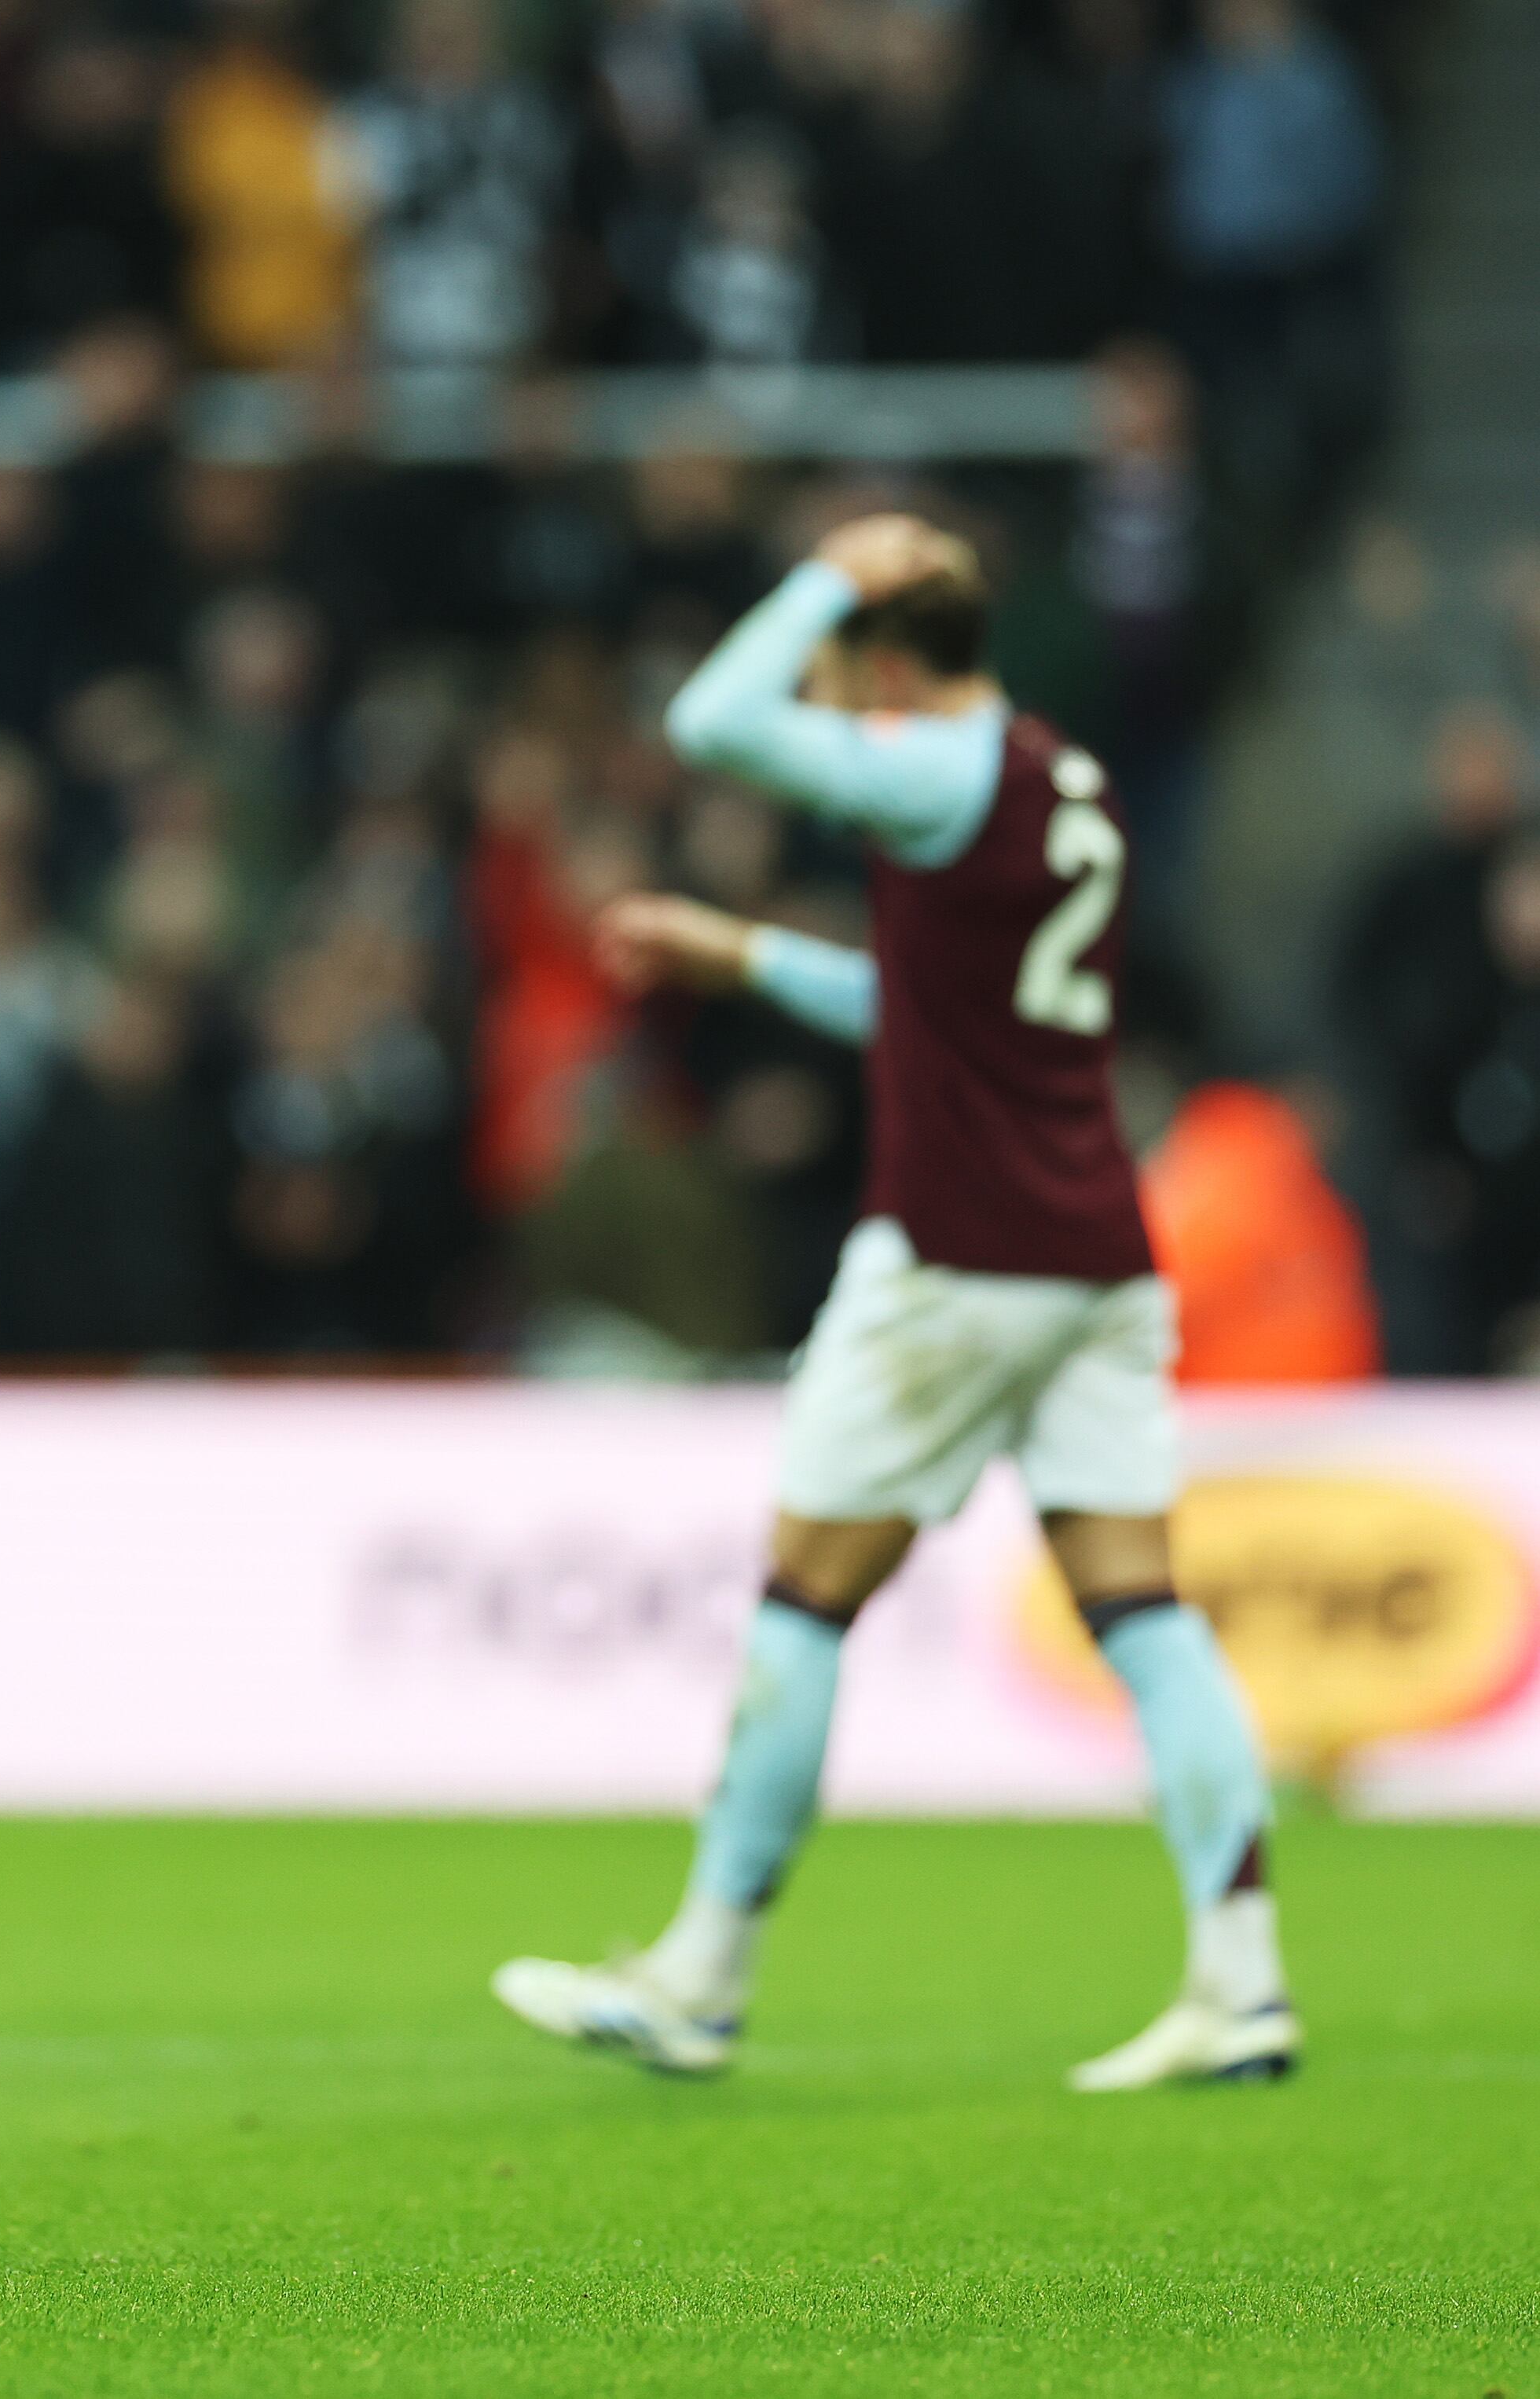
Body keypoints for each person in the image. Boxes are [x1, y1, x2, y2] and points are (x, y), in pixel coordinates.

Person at [491, 515, 1293, 2093]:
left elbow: (708, 722)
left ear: (879, 658)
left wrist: (816, 573)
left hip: (952, 1257)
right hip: (1095, 1259)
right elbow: (923, 1006)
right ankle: (1238, 1980)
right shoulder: (1064, 781)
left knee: (804, 1593)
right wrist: (743, 953)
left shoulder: (931, 767)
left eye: (849, 663)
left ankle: (699, 1977)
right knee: (1140, 1612)